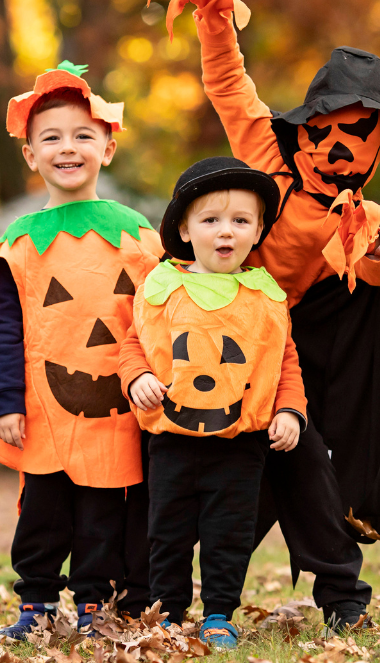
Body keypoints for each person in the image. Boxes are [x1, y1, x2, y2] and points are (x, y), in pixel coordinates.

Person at [152, 0, 380, 630]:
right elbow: (230, 87)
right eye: (327, 131)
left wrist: (362, 241)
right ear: (305, 127)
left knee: (300, 459)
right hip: (209, 329)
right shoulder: (269, 154)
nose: (339, 150)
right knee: (186, 472)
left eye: (358, 135)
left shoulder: (356, 213)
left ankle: (341, 596)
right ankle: (151, 592)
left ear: (376, 149)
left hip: (291, 348)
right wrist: (212, 14)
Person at [0, 61, 163, 639]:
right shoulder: (21, 245)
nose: (67, 148)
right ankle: (35, 602)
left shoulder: (140, 238)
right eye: (51, 138)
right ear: (30, 155)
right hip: (45, 408)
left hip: (119, 406)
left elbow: (159, 319)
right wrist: (8, 402)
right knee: (42, 515)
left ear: (108, 147)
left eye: (83, 136)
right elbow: (4, 327)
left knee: (105, 515)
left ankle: (93, 604)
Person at [117, 156, 307, 649]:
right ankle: (167, 611)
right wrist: (136, 376)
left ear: (258, 229)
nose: (226, 232)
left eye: (241, 221)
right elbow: (133, 344)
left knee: (229, 536)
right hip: (171, 442)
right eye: (211, 220)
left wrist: (290, 410)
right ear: (185, 227)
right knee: (168, 534)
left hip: (239, 444)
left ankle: (219, 613)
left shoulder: (263, 296)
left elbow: (284, 361)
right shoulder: (162, 287)